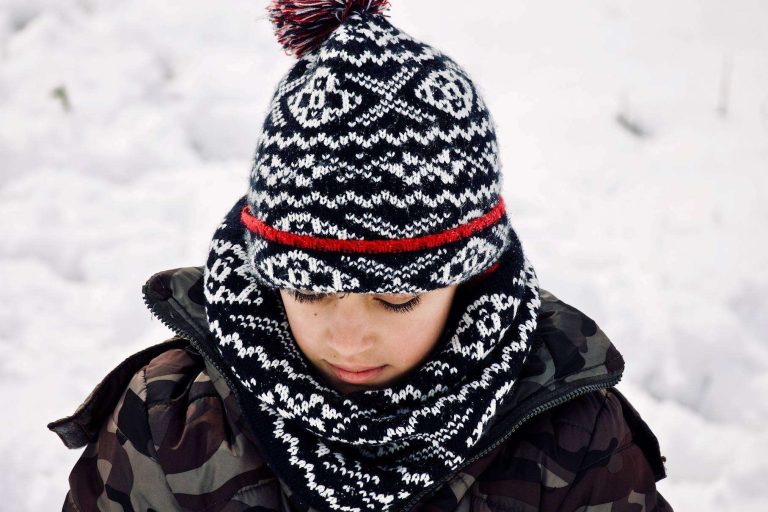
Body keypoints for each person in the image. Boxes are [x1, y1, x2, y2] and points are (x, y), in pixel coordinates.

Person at [49, 1, 673, 510]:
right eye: (308, 290)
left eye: (396, 297)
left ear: (472, 276)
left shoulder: (574, 437)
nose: (348, 340)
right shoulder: (169, 421)